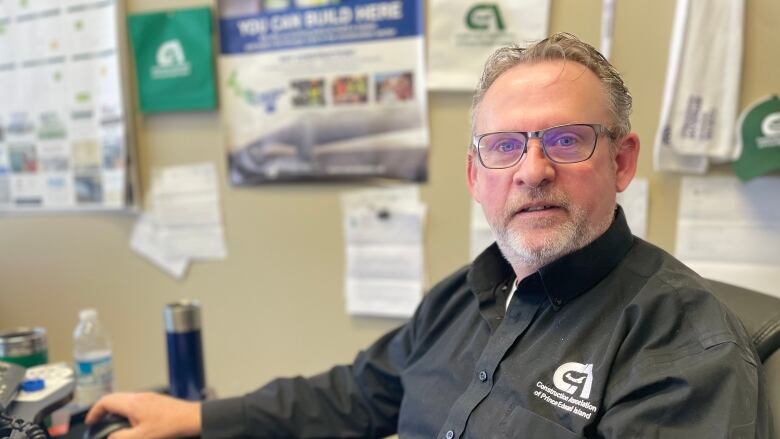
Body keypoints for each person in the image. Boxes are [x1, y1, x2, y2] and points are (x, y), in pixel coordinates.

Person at [86, 33, 773, 438]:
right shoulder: (468, 294)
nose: (533, 170)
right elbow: (355, 393)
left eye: (566, 139)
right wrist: (193, 417)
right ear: (476, 175)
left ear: (621, 161)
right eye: (505, 147)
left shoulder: (684, 345)